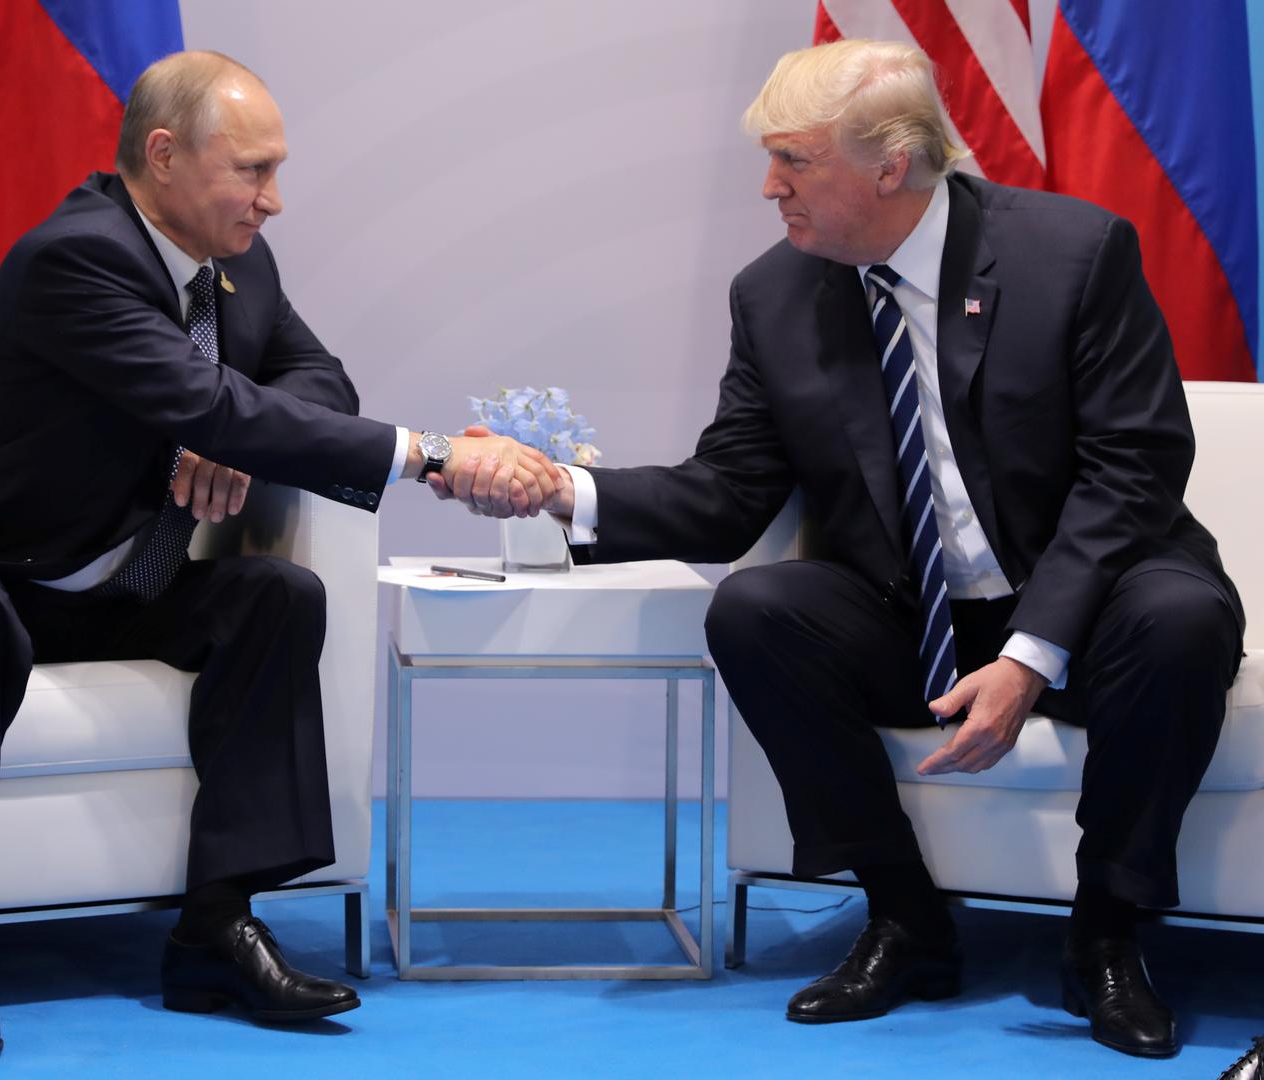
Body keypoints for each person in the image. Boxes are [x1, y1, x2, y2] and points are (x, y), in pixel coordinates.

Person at [440, 38, 1244, 1059]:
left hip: (1093, 597)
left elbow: (1129, 467)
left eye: (792, 160)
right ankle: (903, 917)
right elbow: (728, 494)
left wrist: (1030, 652)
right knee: (756, 609)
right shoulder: (775, 295)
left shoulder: (1073, 253)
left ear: (890, 164)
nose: (768, 187)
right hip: (916, 612)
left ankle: (1104, 936)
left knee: (1178, 618)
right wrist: (561, 491)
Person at [0, 50, 559, 1067]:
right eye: (252, 170)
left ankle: (215, 924)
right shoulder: (75, 258)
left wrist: (227, 436)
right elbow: (211, 397)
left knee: (274, 595)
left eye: (275, 170)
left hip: (121, 587)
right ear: (164, 157)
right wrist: (434, 454)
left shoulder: (234, 261)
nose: (274, 199)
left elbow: (317, 379)